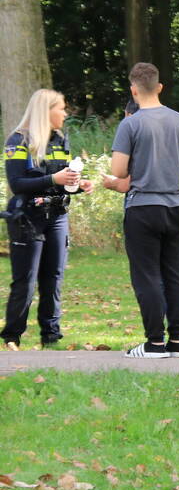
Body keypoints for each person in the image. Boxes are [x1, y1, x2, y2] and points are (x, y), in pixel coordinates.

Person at [107, 63, 179, 358]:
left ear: (134, 90)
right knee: (175, 273)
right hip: (175, 205)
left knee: (146, 274)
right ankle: (178, 341)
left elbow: (118, 170)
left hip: (143, 206)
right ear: (160, 87)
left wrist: (118, 179)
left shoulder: (130, 124)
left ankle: (154, 342)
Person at [2, 89, 94, 349]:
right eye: (61, 108)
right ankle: (12, 337)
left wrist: (78, 184)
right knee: (26, 281)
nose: (65, 113)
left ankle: (51, 338)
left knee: (53, 278)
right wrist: (54, 179)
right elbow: (17, 183)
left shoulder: (60, 139)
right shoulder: (17, 140)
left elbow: (61, 181)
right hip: (27, 218)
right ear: (46, 111)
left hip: (57, 216)